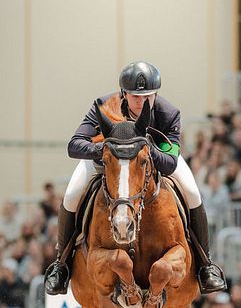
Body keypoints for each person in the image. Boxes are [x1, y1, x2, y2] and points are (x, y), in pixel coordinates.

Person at [44, 61, 227, 295]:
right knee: (71, 194)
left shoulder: (169, 114)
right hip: (107, 163)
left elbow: (170, 162)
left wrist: (145, 151)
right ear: (124, 94)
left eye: (147, 97)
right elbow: (74, 144)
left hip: (150, 163)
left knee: (192, 192)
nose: (141, 103)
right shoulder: (103, 106)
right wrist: (105, 151)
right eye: (135, 97)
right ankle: (61, 265)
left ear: (156, 94)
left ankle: (205, 265)